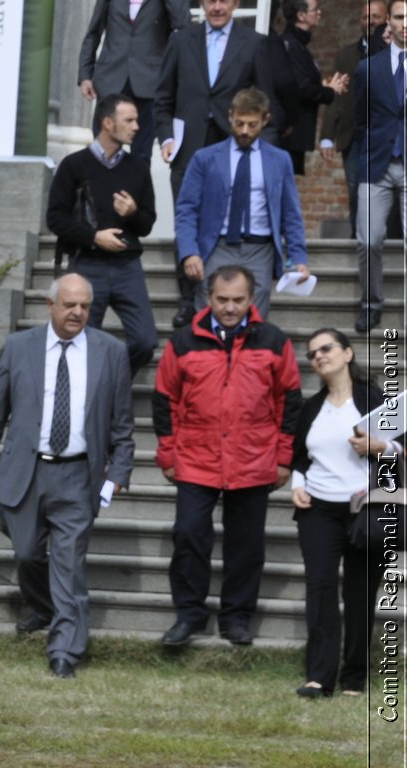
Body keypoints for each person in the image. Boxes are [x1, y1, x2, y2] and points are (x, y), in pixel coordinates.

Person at [0, 274, 135, 679]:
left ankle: (65, 649)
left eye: (85, 306)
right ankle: (45, 605)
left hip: (79, 474)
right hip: (27, 469)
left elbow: (123, 424)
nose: (77, 312)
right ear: (51, 304)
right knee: (26, 553)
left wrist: (119, 471)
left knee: (69, 562)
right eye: (69, 304)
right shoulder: (20, 347)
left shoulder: (110, 352)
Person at [153, 265, 303, 648]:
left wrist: (284, 457)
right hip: (195, 457)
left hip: (253, 459)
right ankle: (189, 614)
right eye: (222, 299)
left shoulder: (272, 340)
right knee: (188, 535)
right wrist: (167, 452)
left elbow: (289, 399)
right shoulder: (184, 341)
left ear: (251, 299)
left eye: (238, 300)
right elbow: (164, 398)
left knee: (247, 544)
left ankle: (236, 617)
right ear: (209, 297)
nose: (230, 307)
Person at [291, 328, 401, 697]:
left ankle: (354, 678)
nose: (319, 356)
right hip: (318, 510)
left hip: (365, 510)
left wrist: (381, 446)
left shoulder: (376, 402)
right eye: (312, 353)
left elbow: (401, 453)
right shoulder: (310, 408)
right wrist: (297, 484)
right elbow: (300, 457)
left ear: (348, 354)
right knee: (319, 589)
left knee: (360, 594)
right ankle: (319, 677)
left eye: (327, 348)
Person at [155, 0, 279, 328]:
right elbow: (163, 98)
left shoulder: (254, 43)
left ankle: (235, 299)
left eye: (224, 0)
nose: (217, 6)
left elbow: (267, 101)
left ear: (236, 3)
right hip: (188, 145)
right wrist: (166, 138)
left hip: (235, 146)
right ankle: (187, 299)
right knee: (188, 221)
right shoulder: (181, 40)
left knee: (221, 224)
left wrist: (266, 154)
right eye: (211, 0)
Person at [46, 93, 160, 376]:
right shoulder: (74, 165)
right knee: (79, 341)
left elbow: (147, 224)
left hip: (127, 267)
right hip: (87, 265)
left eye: (137, 120)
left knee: (145, 341)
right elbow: (55, 219)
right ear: (108, 123)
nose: (137, 126)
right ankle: (90, 396)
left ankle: (112, 383)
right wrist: (94, 237)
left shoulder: (138, 168)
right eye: (129, 120)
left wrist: (133, 212)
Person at [174, 87, 310, 319]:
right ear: (230, 117)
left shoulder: (279, 160)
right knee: (208, 311)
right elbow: (186, 209)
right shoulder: (205, 158)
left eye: (252, 124)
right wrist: (189, 252)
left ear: (265, 120)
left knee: (256, 316)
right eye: (239, 123)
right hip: (217, 245)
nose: (244, 130)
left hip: (260, 248)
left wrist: (298, 258)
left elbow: (290, 213)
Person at [77, 0, 192, 161]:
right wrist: (85, 75)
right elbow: (94, 32)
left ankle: (133, 187)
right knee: (102, 150)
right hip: (111, 79)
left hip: (149, 84)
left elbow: (183, 24)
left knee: (141, 155)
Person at [352, 0, 406, 334]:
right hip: (377, 165)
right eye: (400, 17)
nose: (406, 24)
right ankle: (371, 304)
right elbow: (361, 120)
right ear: (389, 21)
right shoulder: (367, 69)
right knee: (369, 239)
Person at [319, 1, 390, 232]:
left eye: (376, 17)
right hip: (354, 134)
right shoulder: (346, 55)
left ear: (387, 19)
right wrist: (327, 136)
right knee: (354, 188)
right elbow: (336, 94)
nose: (369, 21)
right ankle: (357, 239)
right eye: (365, 17)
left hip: (386, 134)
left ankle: (387, 242)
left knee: (388, 189)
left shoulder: (396, 51)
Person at [269, 0, 350, 175]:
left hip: (295, 133)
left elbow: (302, 82)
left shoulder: (299, 45)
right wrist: (329, 91)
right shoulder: (291, 45)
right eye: (315, 10)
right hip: (288, 133)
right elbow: (301, 88)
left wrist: (324, 86)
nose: (319, 13)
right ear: (301, 15)